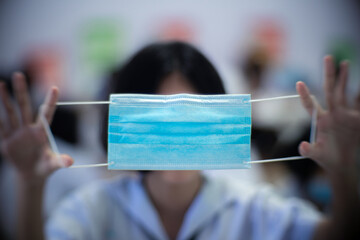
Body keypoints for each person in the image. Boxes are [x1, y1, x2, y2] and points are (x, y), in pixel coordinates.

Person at [0, 41, 359, 240]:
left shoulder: (252, 208)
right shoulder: (95, 208)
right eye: (156, 114)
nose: (175, 133)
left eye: (193, 112)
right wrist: (30, 185)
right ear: (121, 121)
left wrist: (345, 173)